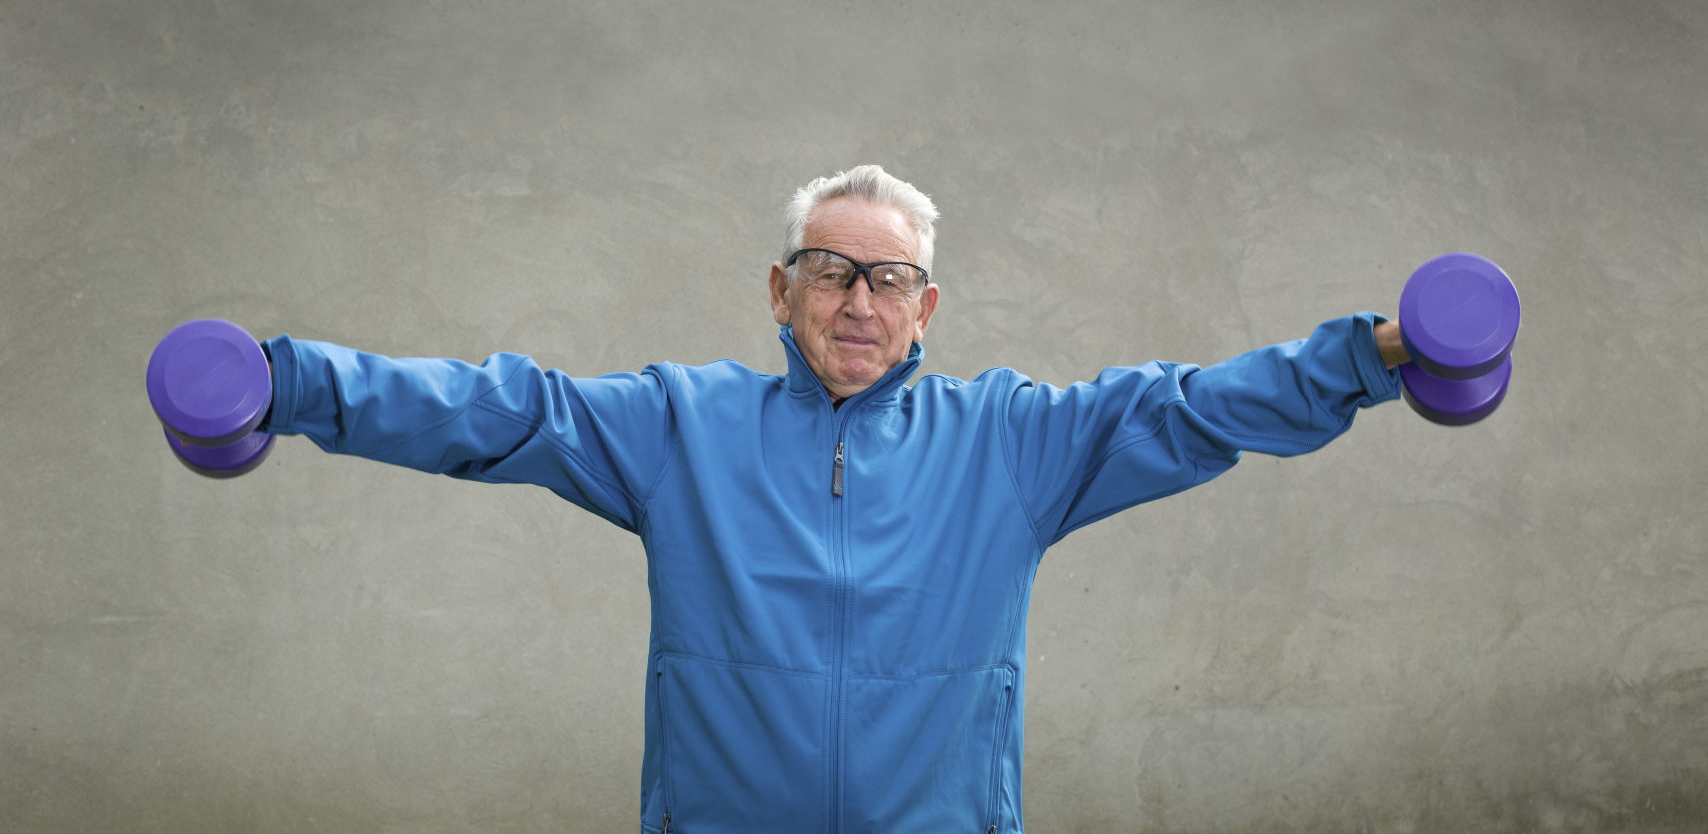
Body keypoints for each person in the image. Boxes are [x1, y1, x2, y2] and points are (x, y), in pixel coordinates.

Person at [257, 164, 1410, 834]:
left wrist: (1379, 353)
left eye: (890, 277)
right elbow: (496, 409)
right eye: (830, 269)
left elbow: (1195, 407)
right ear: (780, 288)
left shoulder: (1013, 440)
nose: (859, 299)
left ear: (926, 305)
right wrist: (286, 383)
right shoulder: (678, 426)